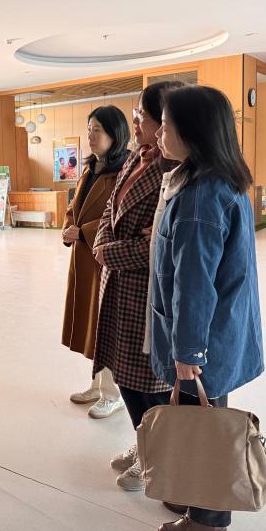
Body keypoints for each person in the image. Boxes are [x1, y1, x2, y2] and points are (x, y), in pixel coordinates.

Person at [150, 85, 264, 531]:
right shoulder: (220, 182)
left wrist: (188, 352)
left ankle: (208, 521)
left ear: (192, 132)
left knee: (205, 429)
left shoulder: (200, 197)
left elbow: (194, 284)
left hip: (203, 342)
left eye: (166, 126)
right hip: (220, 334)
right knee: (206, 421)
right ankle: (198, 505)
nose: (159, 134)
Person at [91, 81, 184, 490]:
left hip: (145, 292)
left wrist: (109, 253)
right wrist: (102, 244)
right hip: (117, 284)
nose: (136, 123)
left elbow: (160, 246)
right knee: (125, 376)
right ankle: (143, 440)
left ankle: (156, 456)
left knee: (148, 382)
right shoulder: (136, 157)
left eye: (142, 117)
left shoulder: (174, 169)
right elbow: (110, 209)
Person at [62, 106, 131, 418]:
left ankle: (112, 394)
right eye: (89, 129)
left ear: (115, 134)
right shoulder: (91, 168)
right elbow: (74, 207)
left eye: (98, 130)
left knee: (106, 325)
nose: (90, 136)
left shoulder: (124, 170)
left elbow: (118, 217)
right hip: (84, 256)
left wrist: (84, 232)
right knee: (92, 323)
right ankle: (97, 384)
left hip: (105, 258)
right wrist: (69, 228)